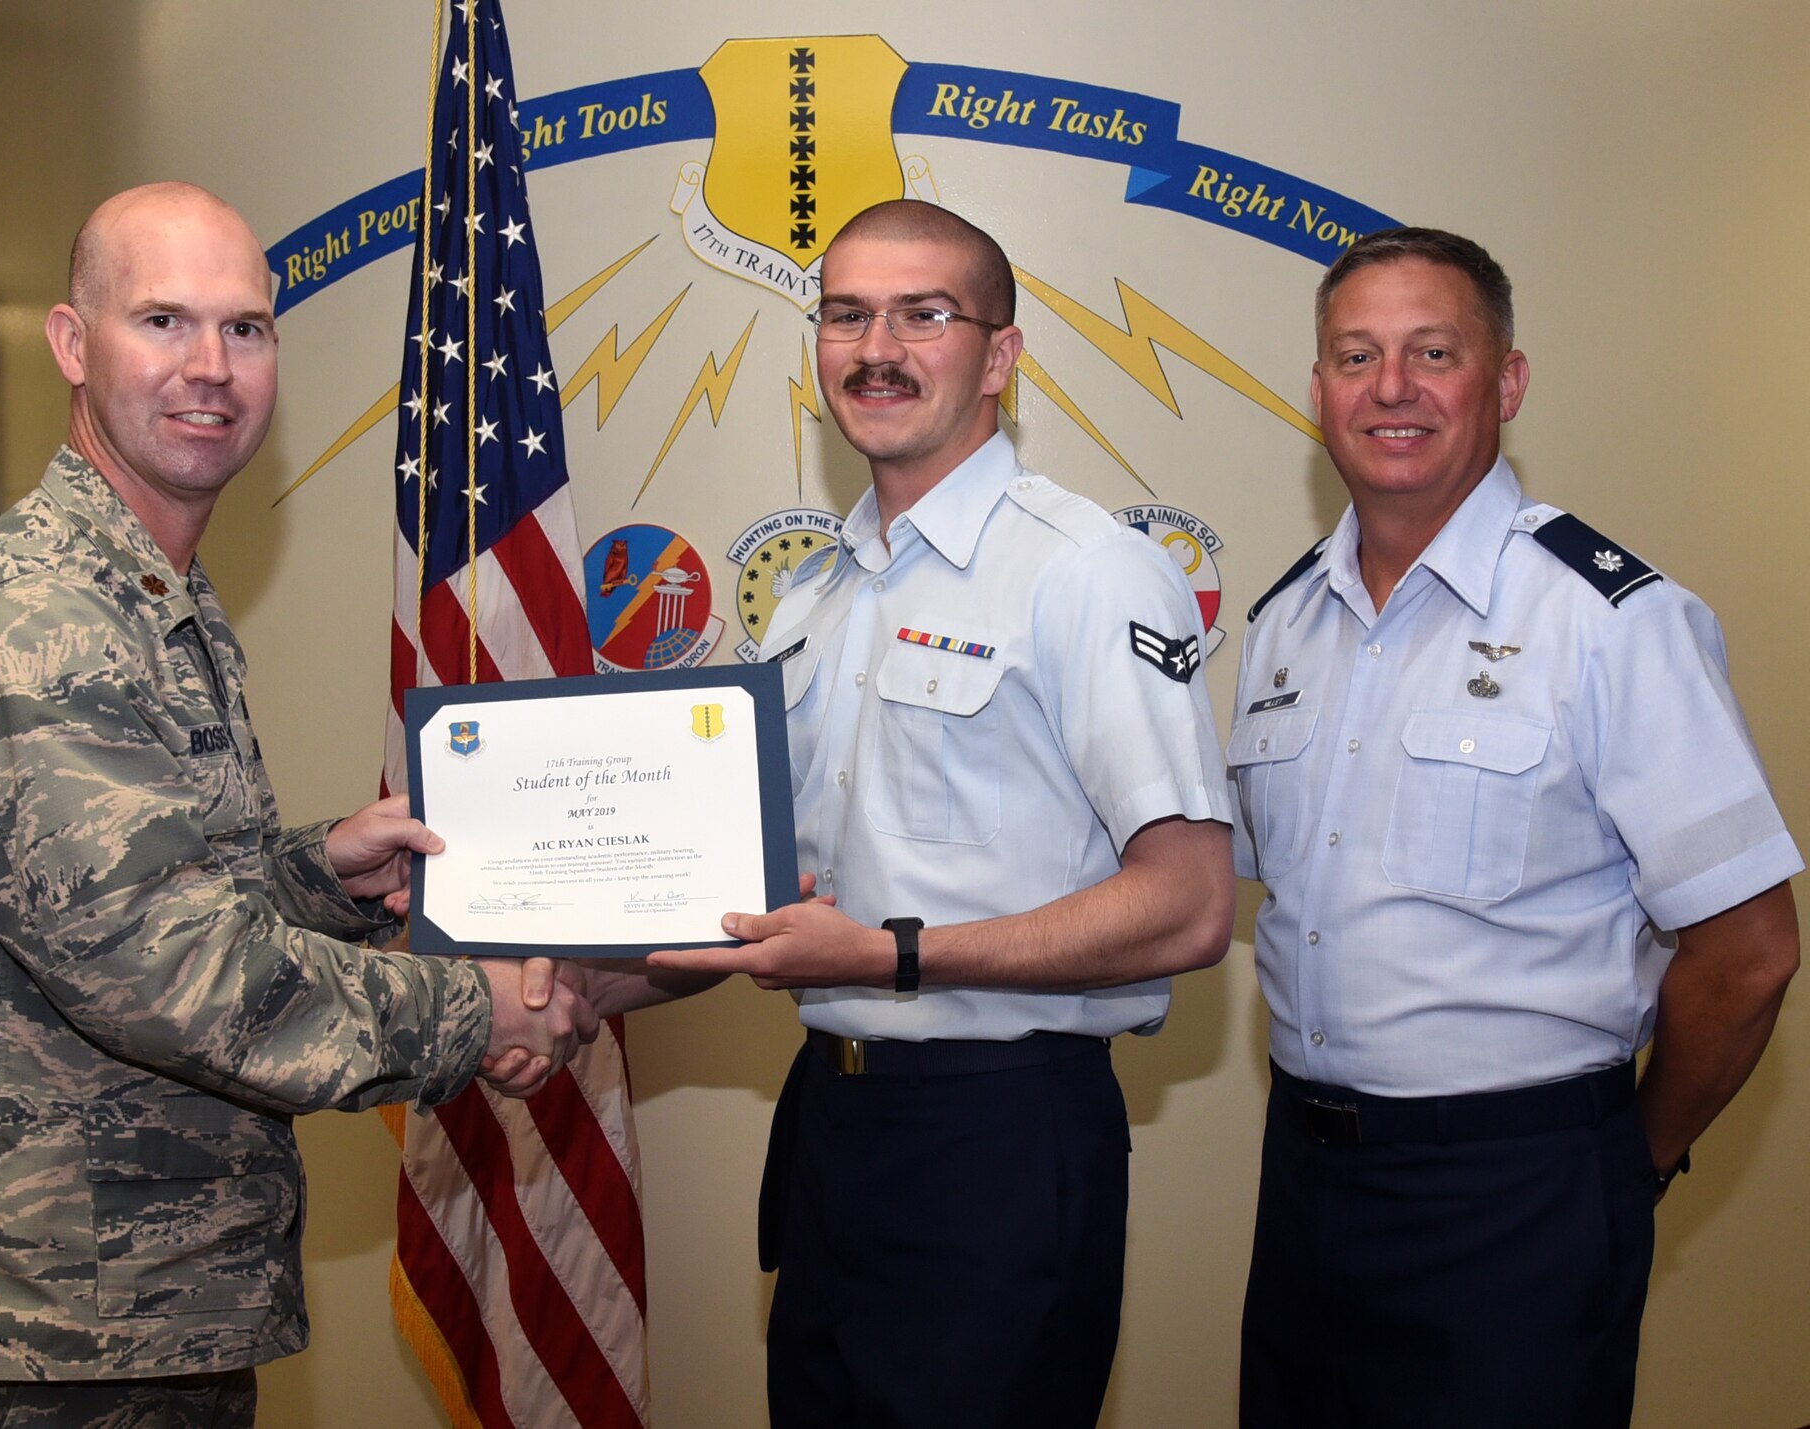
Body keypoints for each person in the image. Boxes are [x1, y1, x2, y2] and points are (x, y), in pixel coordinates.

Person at [0, 182, 597, 1429]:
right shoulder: (44, 619)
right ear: (74, 346)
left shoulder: (144, 593)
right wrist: (477, 1005)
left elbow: (131, 896)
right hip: (33, 1330)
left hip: (118, 1307)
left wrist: (312, 876)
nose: (210, 368)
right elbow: (162, 970)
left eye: (245, 329)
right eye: (163, 321)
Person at [648, 199, 1237, 1429]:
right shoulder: (814, 597)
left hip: (1001, 1141)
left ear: (1000, 357)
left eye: (924, 314)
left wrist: (889, 954)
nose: (878, 347)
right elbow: (772, 901)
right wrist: (558, 992)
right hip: (831, 1132)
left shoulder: (1083, 569)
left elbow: (1185, 904)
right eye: (846, 314)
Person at [1230, 226, 1801, 1428]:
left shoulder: (1607, 619)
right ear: (1318, 388)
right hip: (1307, 1181)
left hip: (1518, 1192)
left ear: (1505, 382)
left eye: (1430, 351)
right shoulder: (1284, 623)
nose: (1388, 388)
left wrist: (1619, 1160)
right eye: (1353, 355)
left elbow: (1748, 952)